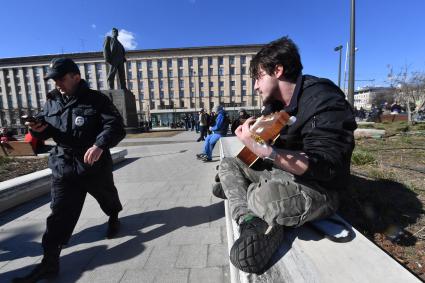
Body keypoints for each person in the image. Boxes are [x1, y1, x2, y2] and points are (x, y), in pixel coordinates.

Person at [212, 37, 357, 274]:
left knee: (263, 196)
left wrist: (266, 150)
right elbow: (256, 154)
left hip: (319, 186)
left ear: (277, 70)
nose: (256, 87)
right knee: (228, 165)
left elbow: (327, 166)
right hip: (280, 171)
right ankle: (250, 221)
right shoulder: (274, 106)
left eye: (258, 77)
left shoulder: (323, 98)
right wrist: (252, 141)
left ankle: (243, 197)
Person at [13, 58, 126, 283]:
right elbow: (46, 133)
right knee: (58, 215)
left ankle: (113, 216)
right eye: (54, 79)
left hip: (93, 165)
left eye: (61, 78)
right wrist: (37, 130)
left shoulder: (96, 99)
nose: (57, 84)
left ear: (76, 76)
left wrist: (99, 145)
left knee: (107, 197)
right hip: (64, 165)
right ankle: (49, 265)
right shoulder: (52, 101)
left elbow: (114, 125)